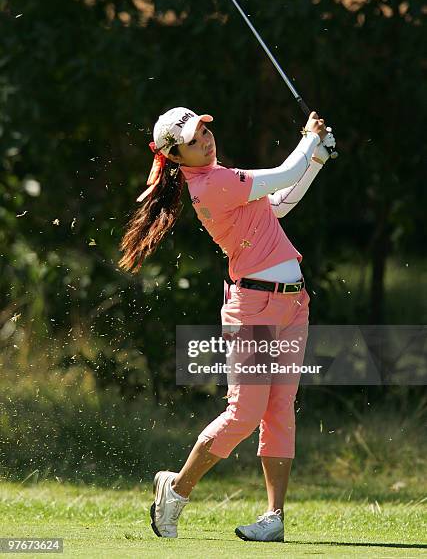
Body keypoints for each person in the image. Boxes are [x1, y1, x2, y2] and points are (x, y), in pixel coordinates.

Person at [118, 106, 334, 542]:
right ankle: (176, 490)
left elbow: (278, 204)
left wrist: (315, 160)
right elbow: (280, 174)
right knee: (244, 414)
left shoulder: (223, 177)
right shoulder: (212, 184)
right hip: (254, 308)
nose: (205, 140)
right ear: (177, 157)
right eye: (194, 141)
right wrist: (309, 142)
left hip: (293, 306)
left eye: (204, 131)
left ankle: (274, 518)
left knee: (278, 412)